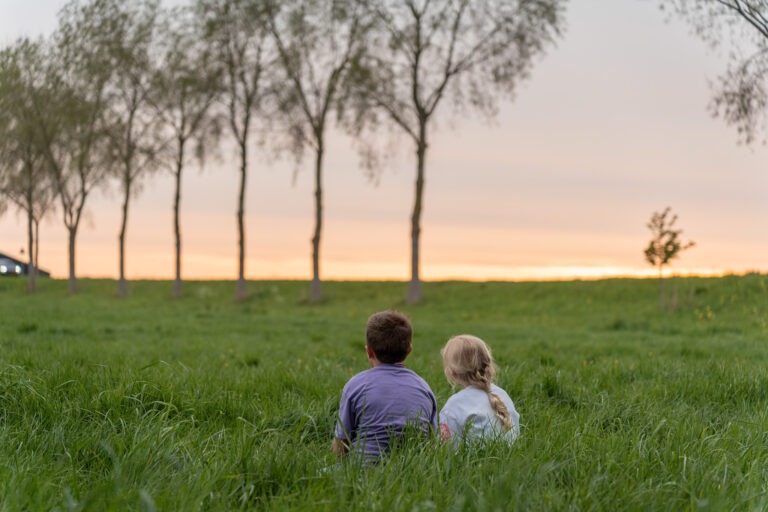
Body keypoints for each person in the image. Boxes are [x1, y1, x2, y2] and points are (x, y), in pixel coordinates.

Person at [333, 310, 438, 463]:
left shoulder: (355, 385)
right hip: (411, 470)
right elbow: (432, 442)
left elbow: (341, 443)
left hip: (362, 470)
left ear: (368, 351)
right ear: (409, 350)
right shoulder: (424, 388)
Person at [439, 334, 520, 444]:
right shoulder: (502, 395)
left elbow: (448, 451)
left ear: (453, 373)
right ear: (488, 365)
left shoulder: (454, 406)